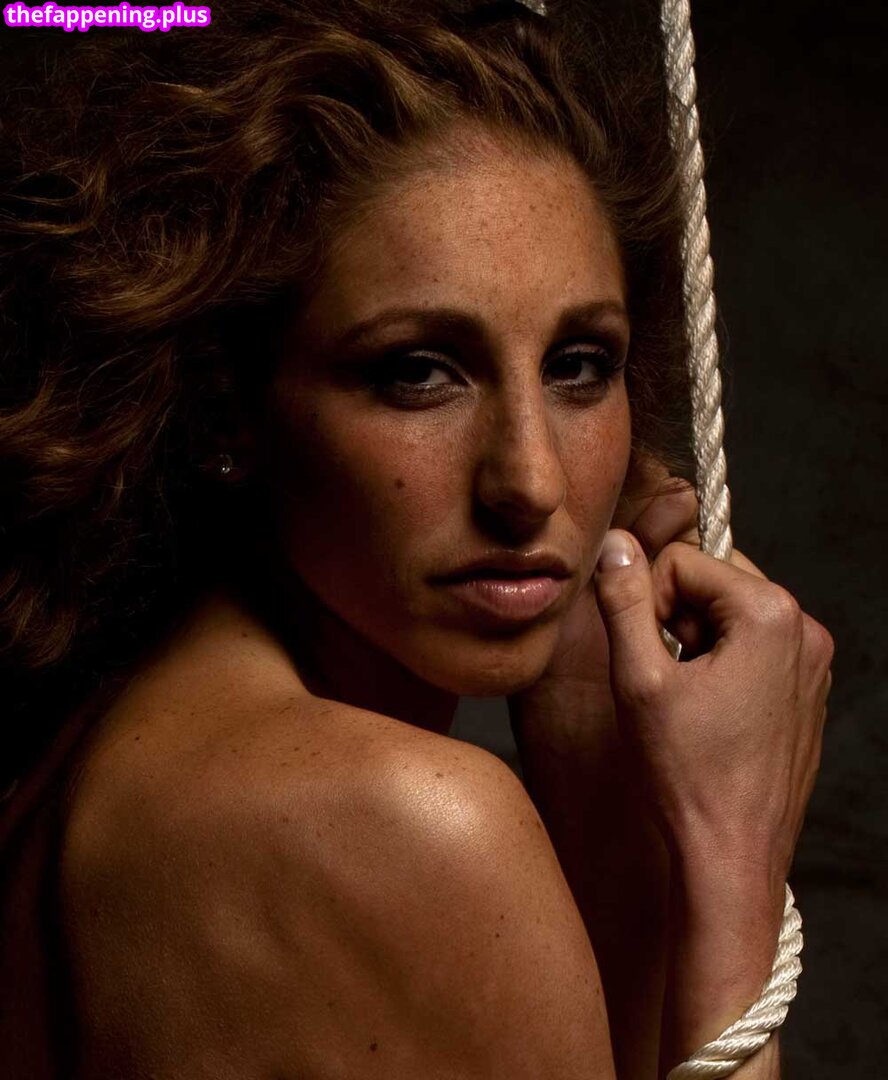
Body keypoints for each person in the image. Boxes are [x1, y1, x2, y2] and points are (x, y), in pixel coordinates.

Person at [0, 1, 833, 1077]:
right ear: (224, 411)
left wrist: (594, 769)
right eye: (419, 373)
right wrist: (732, 867)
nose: (530, 483)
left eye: (579, 365)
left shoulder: (112, 744)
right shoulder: (403, 821)